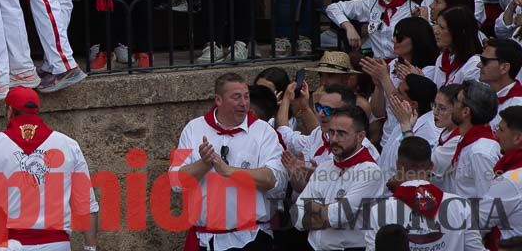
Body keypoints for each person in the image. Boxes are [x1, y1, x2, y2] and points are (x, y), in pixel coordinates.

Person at [0, 87, 100, 251]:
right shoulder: (69, 145)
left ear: (9, 110)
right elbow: (86, 205)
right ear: (36, 111)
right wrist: (90, 247)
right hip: (57, 245)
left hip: (8, 245)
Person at [170, 74, 284, 251]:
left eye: (246, 96)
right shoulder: (193, 129)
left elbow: (274, 180)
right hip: (206, 241)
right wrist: (204, 164)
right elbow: (176, 181)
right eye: (236, 97)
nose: (244, 103)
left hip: (252, 238)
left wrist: (229, 171)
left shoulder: (263, 132)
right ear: (218, 100)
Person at [292, 107, 385, 248]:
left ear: (360, 136)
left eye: (341, 134)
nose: (334, 139)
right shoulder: (324, 167)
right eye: (331, 132)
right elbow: (298, 215)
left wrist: (315, 209)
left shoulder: (370, 172)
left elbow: (339, 215)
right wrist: (325, 211)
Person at [363, 136, 475, 251]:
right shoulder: (461, 205)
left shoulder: (380, 210)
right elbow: (475, 249)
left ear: (398, 165)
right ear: (431, 166)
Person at [439, 80, 501, 198]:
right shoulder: (469, 142)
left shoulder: (480, 152)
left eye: (456, 100)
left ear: (466, 111)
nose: (452, 104)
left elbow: (488, 201)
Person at [481, 105, 522, 248]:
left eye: (501, 130)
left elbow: (479, 223)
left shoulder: (511, 179)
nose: (496, 134)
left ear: (517, 138)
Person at [429, 7, 483, 88]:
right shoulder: (441, 59)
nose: (435, 31)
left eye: (442, 27)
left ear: (459, 33)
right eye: (436, 24)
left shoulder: (474, 66)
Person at [478, 38, 522, 129]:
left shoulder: (518, 106)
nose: (478, 65)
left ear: (504, 68)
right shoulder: (480, 95)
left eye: (484, 61)